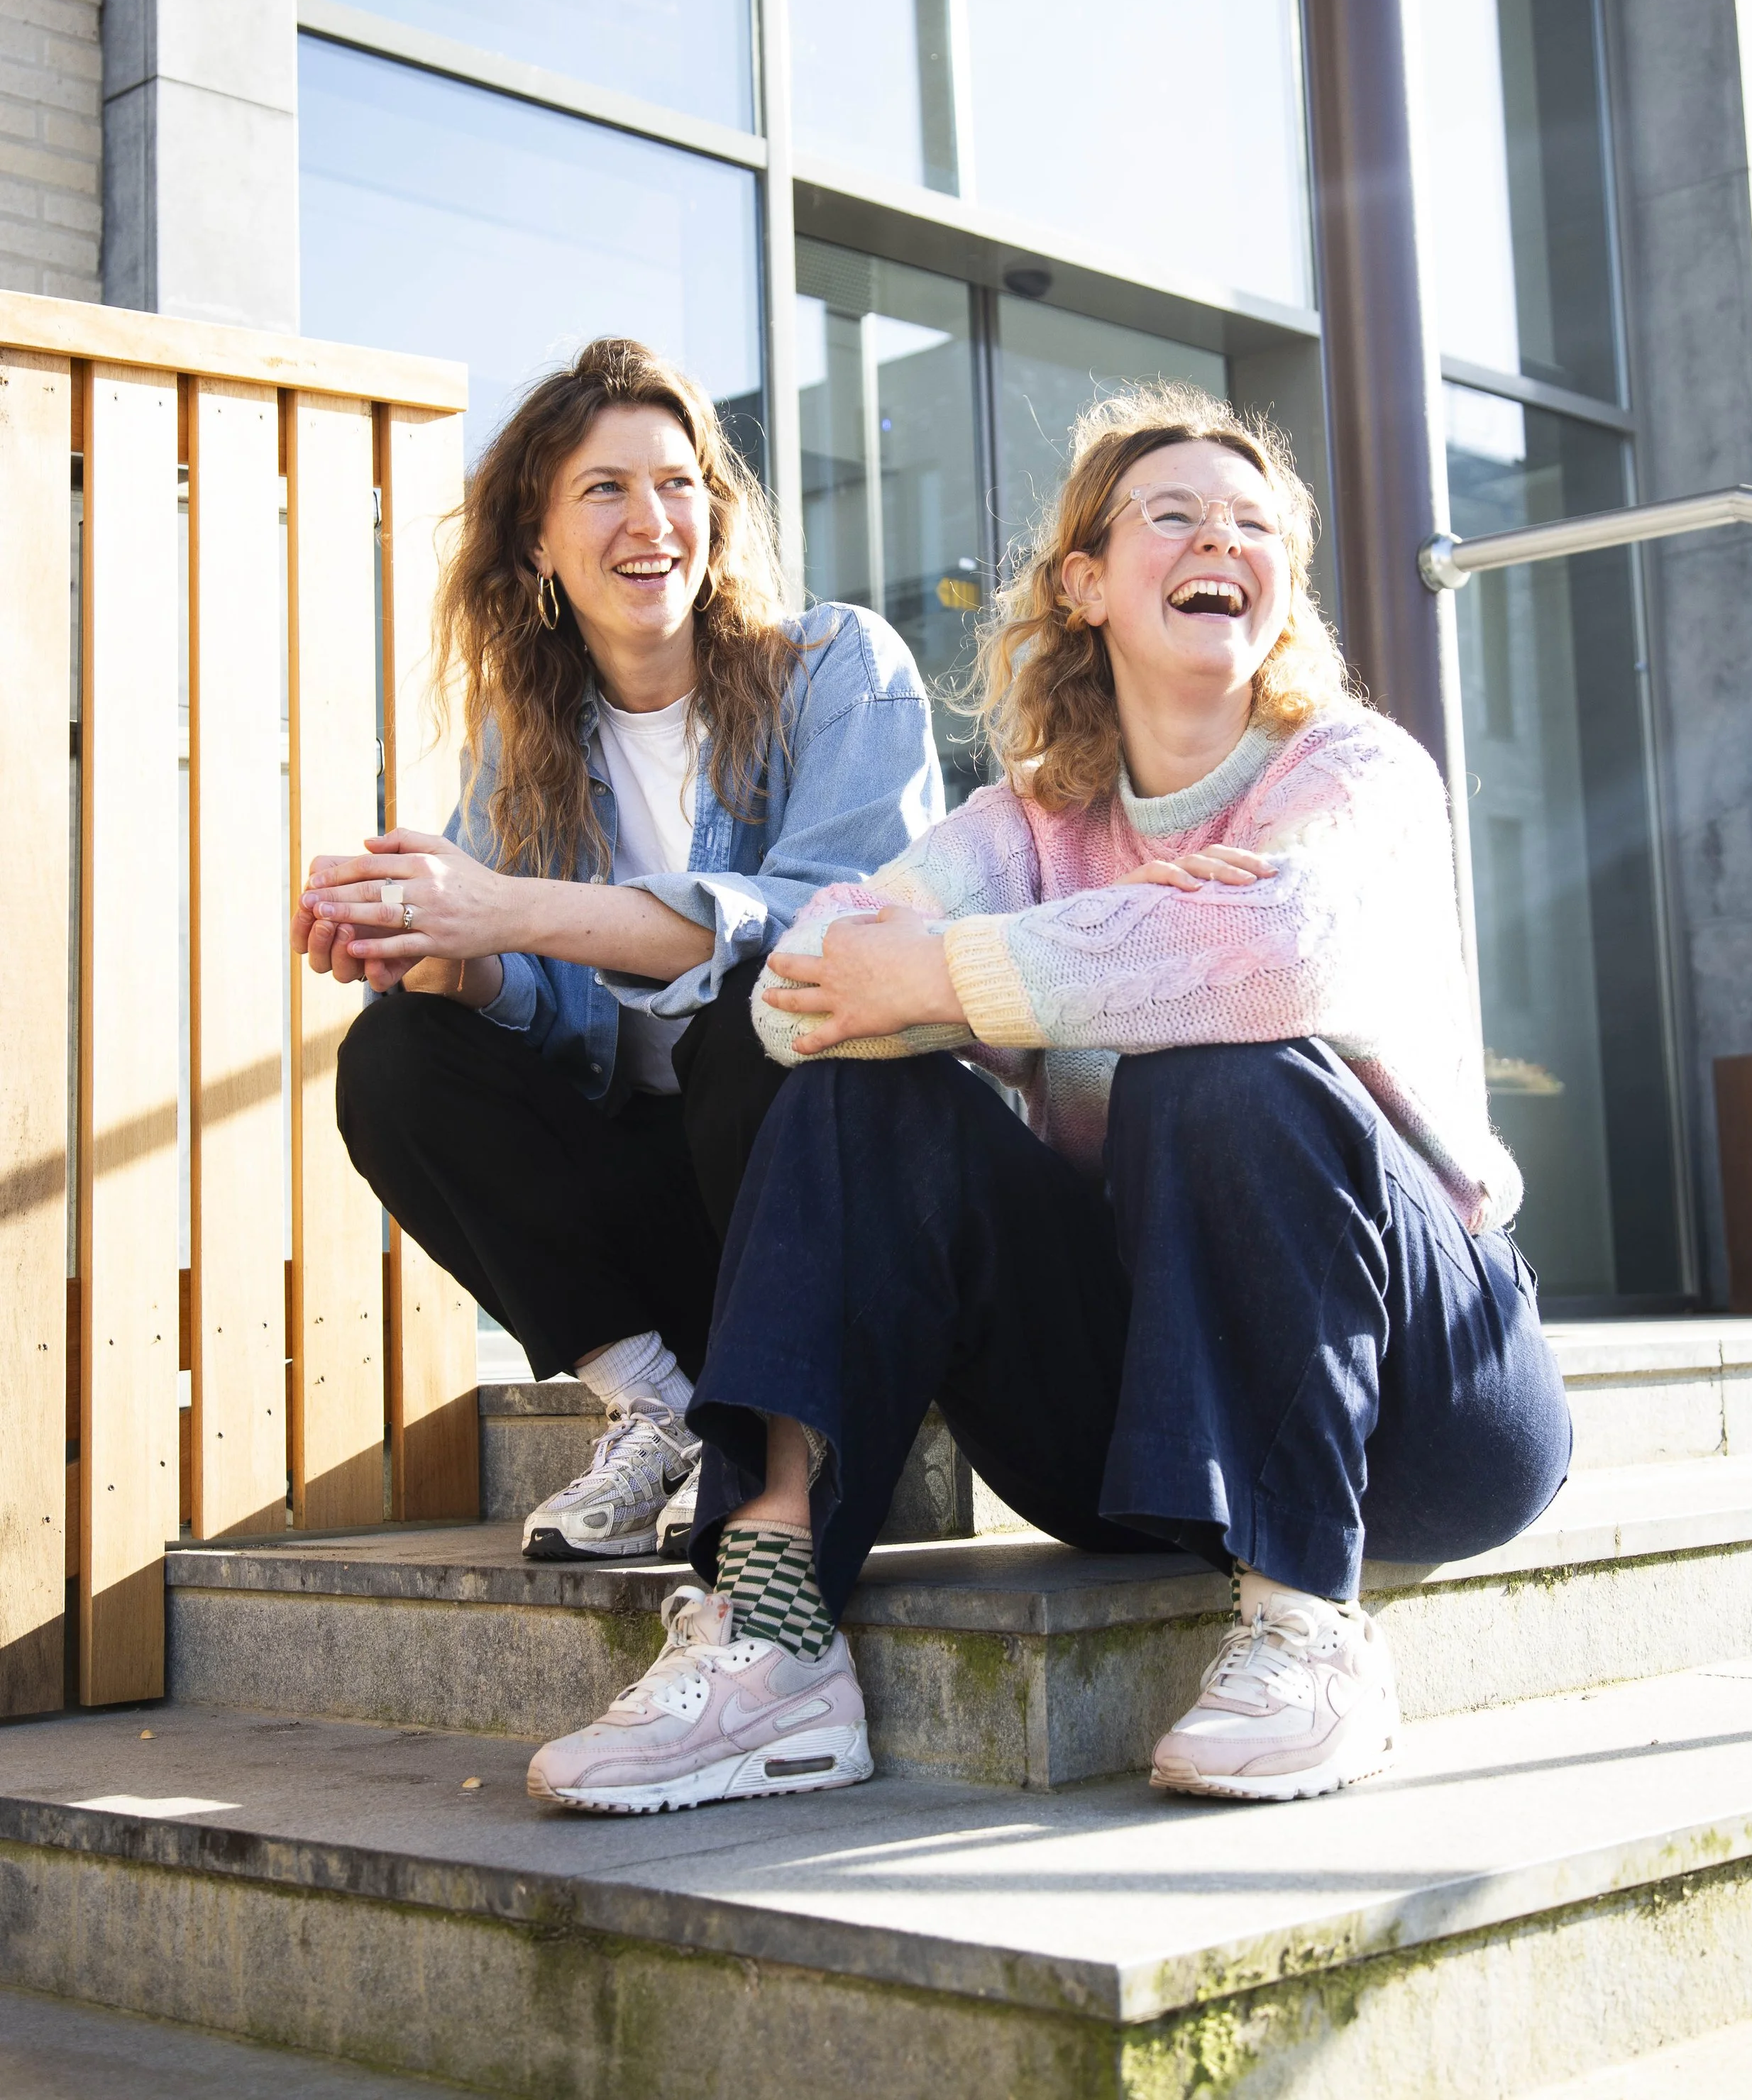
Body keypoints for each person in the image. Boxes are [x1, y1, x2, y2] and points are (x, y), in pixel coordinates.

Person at [524, 382, 1572, 1818]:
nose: (1221, 536)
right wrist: (1099, 954)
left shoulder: (1354, 772)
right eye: (1174, 514)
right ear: (1081, 581)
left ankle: (1304, 1627)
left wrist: (951, 974)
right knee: (852, 1093)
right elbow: (793, 990)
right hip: (1141, 1429)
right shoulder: (1026, 823)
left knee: (1222, 1064)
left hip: (1428, 1413)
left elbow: (1272, 956)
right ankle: (772, 1634)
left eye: (1252, 521)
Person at [295, 337, 944, 1562]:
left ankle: (775, 1443)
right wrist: (433, 949)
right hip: (664, 1217)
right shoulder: (532, 741)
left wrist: (505, 910)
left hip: (818, 1194)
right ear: (538, 541)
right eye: (605, 489)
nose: (653, 518)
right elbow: (534, 1001)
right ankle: (659, 1403)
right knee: (396, 1056)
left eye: (678, 481)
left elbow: (830, 930)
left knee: (756, 998)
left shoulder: (839, 669)